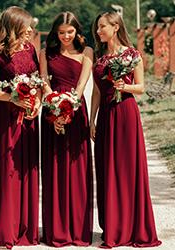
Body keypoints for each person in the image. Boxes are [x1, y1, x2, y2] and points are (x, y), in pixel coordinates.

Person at [91, 11, 162, 248]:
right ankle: (113, 225)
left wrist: (126, 86)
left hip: (126, 114)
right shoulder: (99, 58)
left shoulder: (133, 55)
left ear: (115, 26)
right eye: (97, 27)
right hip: (106, 116)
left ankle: (133, 226)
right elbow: (97, 92)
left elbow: (141, 88)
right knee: (107, 168)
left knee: (127, 168)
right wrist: (91, 120)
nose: (98, 31)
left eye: (102, 27)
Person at [0, 6, 40, 249]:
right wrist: (11, 98)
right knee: (9, 173)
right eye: (27, 26)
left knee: (27, 172)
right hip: (6, 120)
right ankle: (6, 231)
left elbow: (35, 79)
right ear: (15, 26)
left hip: (29, 118)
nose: (31, 30)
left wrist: (35, 105)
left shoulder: (31, 49)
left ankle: (26, 229)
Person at [39, 11, 93, 247]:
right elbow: (44, 82)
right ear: (55, 32)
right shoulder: (45, 53)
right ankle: (56, 230)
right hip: (52, 113)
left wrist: (69, 108)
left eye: (70, 32)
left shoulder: (87, 52)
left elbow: (82, 84)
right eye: (61, 32)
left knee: (77, 168)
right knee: (54, 167)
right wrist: (54, 109)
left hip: (76, 110)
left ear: (77, 31)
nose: (65, 36)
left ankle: (78, 229)